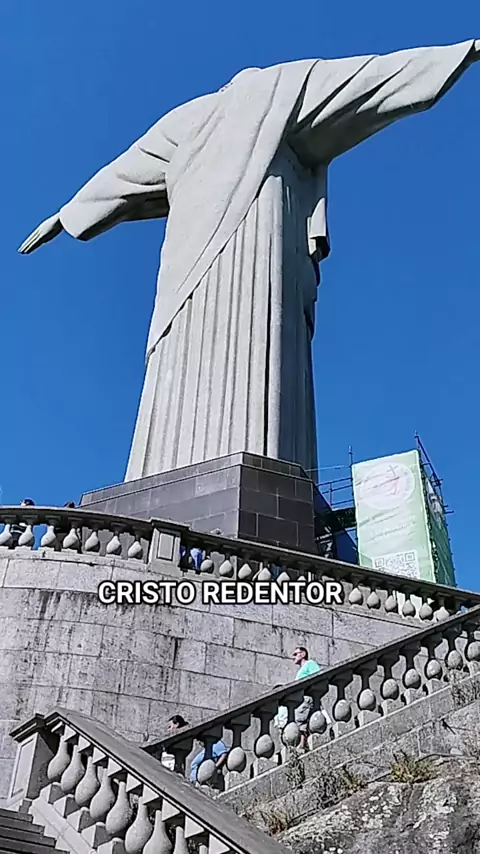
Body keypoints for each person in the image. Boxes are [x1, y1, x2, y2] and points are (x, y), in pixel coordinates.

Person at [19, 42, 480, 483]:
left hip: (254, 244)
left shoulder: (221, 106)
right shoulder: (279, 88)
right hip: (199, 253)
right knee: (196, 348)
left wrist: (69, 213)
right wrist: (464, 51)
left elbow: (123, 172)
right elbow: (372, 78)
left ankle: (209, 465)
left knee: (251, 338)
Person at [292, 646, 321, 751]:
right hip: (301, 698)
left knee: (300, 720)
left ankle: (301, 744)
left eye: (295, 654)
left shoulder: (310, 664)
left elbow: (317, 676)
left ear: (303, 654)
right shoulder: (301, 669)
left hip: (306, 697)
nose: (293, 657)